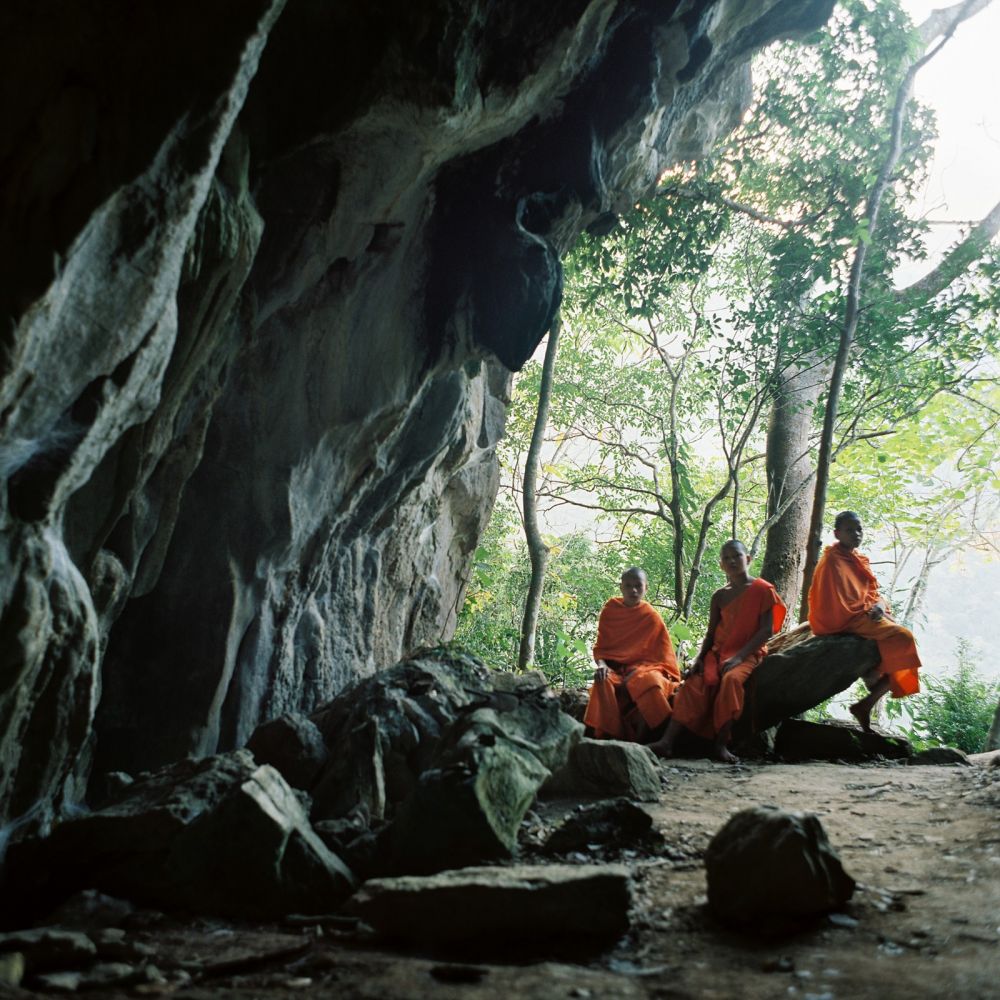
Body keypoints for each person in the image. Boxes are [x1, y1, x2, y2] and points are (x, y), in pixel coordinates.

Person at [649, 540, 786, 763]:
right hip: (717, 653)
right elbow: (711, 634)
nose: (732, 561)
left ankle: (721, 744)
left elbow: (766, 630)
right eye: (726, 558)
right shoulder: (719, 596)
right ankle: (667, 742)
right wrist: (699, 659)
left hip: (747, 653)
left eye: (737, 556)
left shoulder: (762, 590)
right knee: (694, 683)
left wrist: (739, 657)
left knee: (731, 681)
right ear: (721, 565)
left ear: (748, 559)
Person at [807, 510, 921, 731]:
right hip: (846, 618)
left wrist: (878, 605)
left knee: (899, 646)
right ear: (837, 533)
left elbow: (870, 592)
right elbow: (836, 600)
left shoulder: (857, 559)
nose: (856, 534)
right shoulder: (832, 560)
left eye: (859, 529)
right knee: (905, 637)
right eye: (850, 530)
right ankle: (866, 701)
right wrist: (867, 609)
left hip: (864, 613)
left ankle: (866, 702)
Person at [583, 567, 681, 742]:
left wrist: (638, 672)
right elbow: (601, 649)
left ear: (646, 588)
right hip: (615, 670)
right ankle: (610, 734)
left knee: (649, 681)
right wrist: (602, 666)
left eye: (638, 586)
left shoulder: (651, 616)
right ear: (621, 587)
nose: (633, 590)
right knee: (602, 681)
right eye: (628, 586)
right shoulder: (610, 610)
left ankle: (641, 741)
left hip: (644, 669)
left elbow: (662, 659)